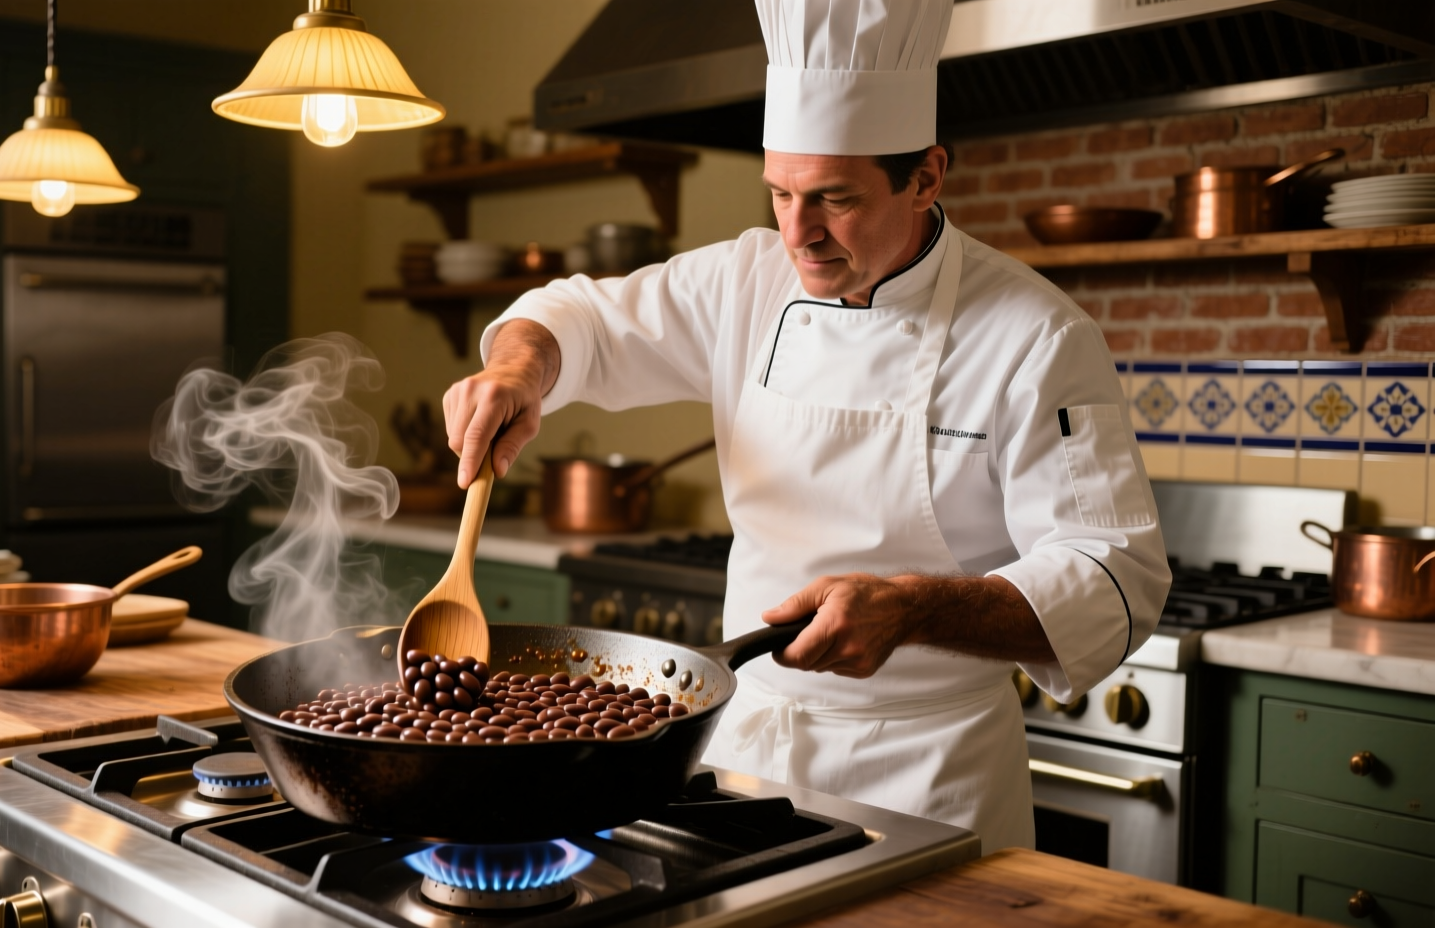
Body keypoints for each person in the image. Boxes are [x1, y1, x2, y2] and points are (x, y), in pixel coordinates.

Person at [441, 0, 1170, 852]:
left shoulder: (1036, 335)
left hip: (932, 777)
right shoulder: (745, 282)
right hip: (748, 754)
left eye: (834, 198)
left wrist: (912, 609)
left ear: (926, 177)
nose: (798, 233)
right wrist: (518, 368)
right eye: (781, 193)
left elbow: (1116, 579)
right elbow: (580, 318)